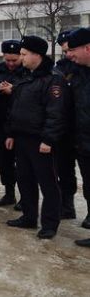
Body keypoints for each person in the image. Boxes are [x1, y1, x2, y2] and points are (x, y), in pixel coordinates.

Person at [5, 35, 65, 239]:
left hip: (40, 141)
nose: (20, 58)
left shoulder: (52, 79)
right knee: (24, 179)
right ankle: (29, 217)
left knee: (48, 183)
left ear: (36, 55)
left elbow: (56, 112)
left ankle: (49, 224)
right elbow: (16, 108)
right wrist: (11, 133)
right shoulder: (25, 76)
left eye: (23, 54)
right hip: (22, 138)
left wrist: (48, 139)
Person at [65, 27, 90, 247]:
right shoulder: (80, 73)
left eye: (72, 50)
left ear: (88, 47)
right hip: (83, 143)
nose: (69, 54)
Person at [0, 40, 24, 208]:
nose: (11, 64)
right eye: (8, 60)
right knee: (4, 161)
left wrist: (14, 90)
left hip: (20, 124)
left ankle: (25, 197)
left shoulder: (27, 71)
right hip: (1, 122)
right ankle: (9, 192)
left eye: (14, 60)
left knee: (23, 163)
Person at [55, 30, 79, 220]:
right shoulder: (60, 68)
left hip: (83, 127)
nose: (68, 55)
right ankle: (67, 205)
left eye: (70, 50)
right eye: (64, 51)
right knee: (64, 169)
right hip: (66, 128)